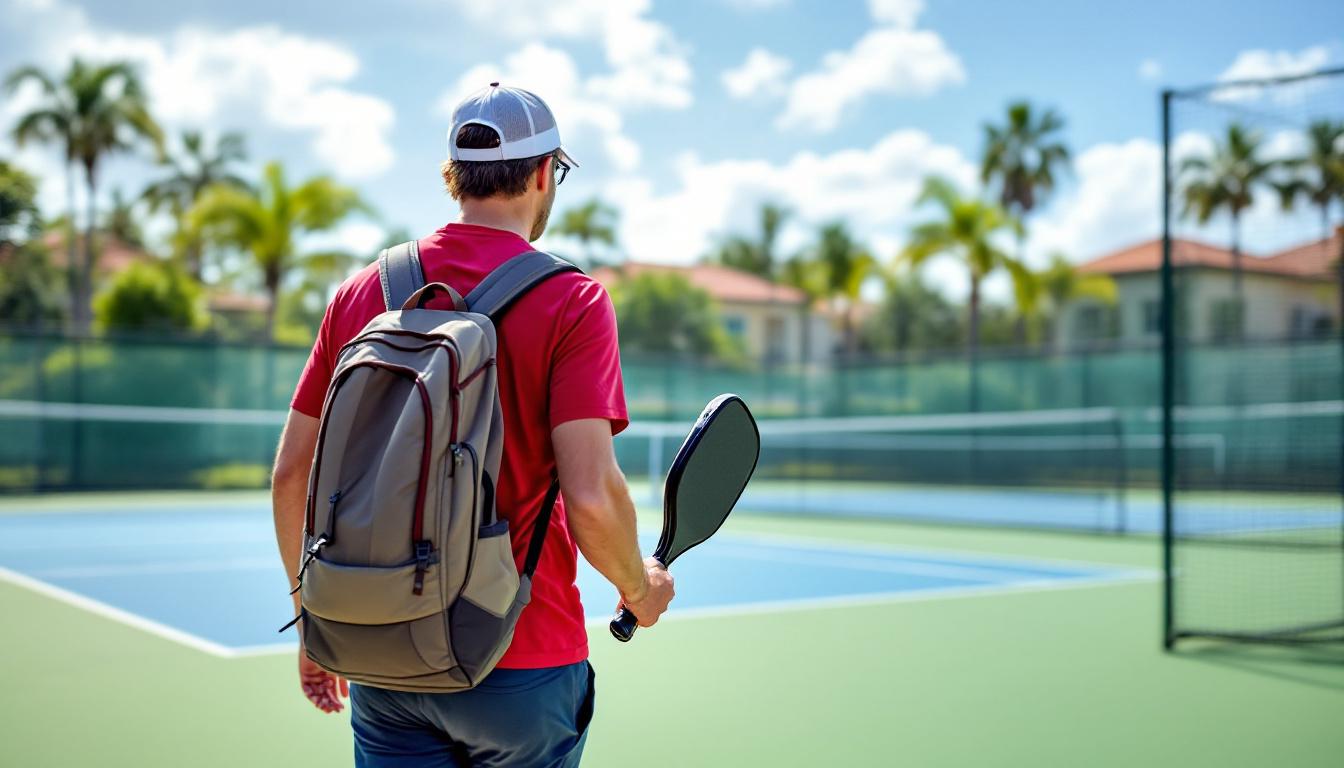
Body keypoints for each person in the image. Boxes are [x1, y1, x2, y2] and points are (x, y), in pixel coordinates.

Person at [270, 82, 675, 767]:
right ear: (544, 173)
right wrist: (640, 589)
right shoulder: (572, 301)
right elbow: (590, 495)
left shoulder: (363, 291)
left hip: (384, 651)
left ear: (453, 175)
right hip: (521, 655)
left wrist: (314, 620)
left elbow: (291, 476)